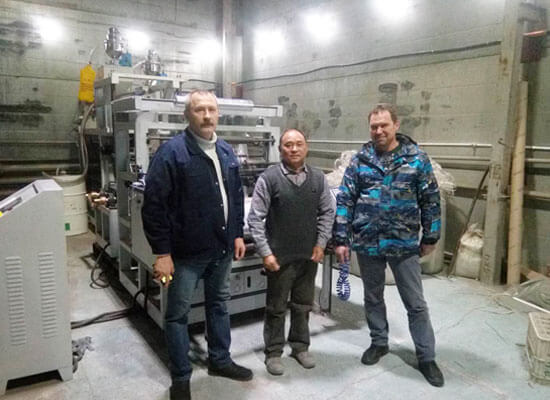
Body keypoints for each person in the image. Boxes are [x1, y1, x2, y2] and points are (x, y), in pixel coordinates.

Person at [142, 90, 252, 400]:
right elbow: (154, 206)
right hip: (185, 254)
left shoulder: (226, 151)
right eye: (199, 110)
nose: (206, 116)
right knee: (177, 315)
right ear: (187, 116)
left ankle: (220, 360)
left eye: (211, 110)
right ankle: (180, 378)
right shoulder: (171, 153)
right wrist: (162, 253)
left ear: (218, 114)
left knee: (219, 305)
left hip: (221, 248)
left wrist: (237, 234)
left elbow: (235, 195)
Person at [333, 104, 444, 387]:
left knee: (415, 303)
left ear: (396, 125)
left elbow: (430, 199)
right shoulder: (360, 160)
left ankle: (426, 357)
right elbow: (345, 200)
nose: (379, 131)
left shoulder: (416, 159)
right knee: (373, 296)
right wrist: (341, 238)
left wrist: (430, 236)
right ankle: (379, 342)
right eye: (374, 126)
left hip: (403, 242)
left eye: (384, 125)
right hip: (367, 241)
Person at [247, 128, 335, 376]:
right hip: (279, 258)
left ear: (306, 147)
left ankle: (300, 346)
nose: (294, 149)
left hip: (308, 256)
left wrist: (321, 243)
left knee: (302, 305)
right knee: (276, 307)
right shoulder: (269, 178)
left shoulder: (318, 179)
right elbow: (255, 218)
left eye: (298, 144)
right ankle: (273, 352)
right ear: (280, 149)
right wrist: (266, 253)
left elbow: (327, 212)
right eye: (288, 145)